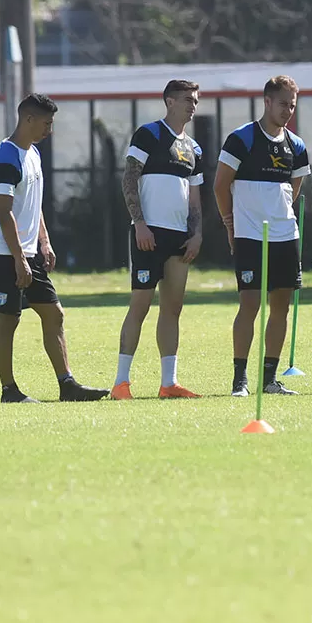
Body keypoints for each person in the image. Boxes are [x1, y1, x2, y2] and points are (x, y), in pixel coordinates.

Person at [0, 93, 107, 403]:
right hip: (1, 253)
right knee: (9, 319)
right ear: (28, 119)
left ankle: (67, 385)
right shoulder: (5, 157)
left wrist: (43, 241)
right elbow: (3, 211)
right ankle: (9, 391)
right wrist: (19, 259)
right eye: (46, 123)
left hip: (28, 252)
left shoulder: (32, 153)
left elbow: (32, 206)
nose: (50, 130)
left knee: (54, 314)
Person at [215, 75, 310, 397]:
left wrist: (281, 216)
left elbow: (294, 189)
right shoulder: (241, 139)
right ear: (267, 101)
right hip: (250, 236)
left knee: (280, 307)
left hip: (285, 236)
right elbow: (219, 186)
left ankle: (269, 379)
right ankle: (239, 380)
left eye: (292, 105)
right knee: (250, 304)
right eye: (283, 104)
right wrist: (231, 226)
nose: (288, 111)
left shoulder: (296, 146)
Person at [112, 79, 206, 400]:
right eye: (186, 100)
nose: (193, 105)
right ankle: (121, 383)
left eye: (195, 100)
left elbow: (194, 198)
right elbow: (129, 178)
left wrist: (197, 234)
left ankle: (169, 384)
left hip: (179, 239)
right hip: (148, 233)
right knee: (140, 305)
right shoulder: (148, 134)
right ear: (169, 101)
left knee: (173, 308)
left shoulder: (193, 149)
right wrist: (140, 223)